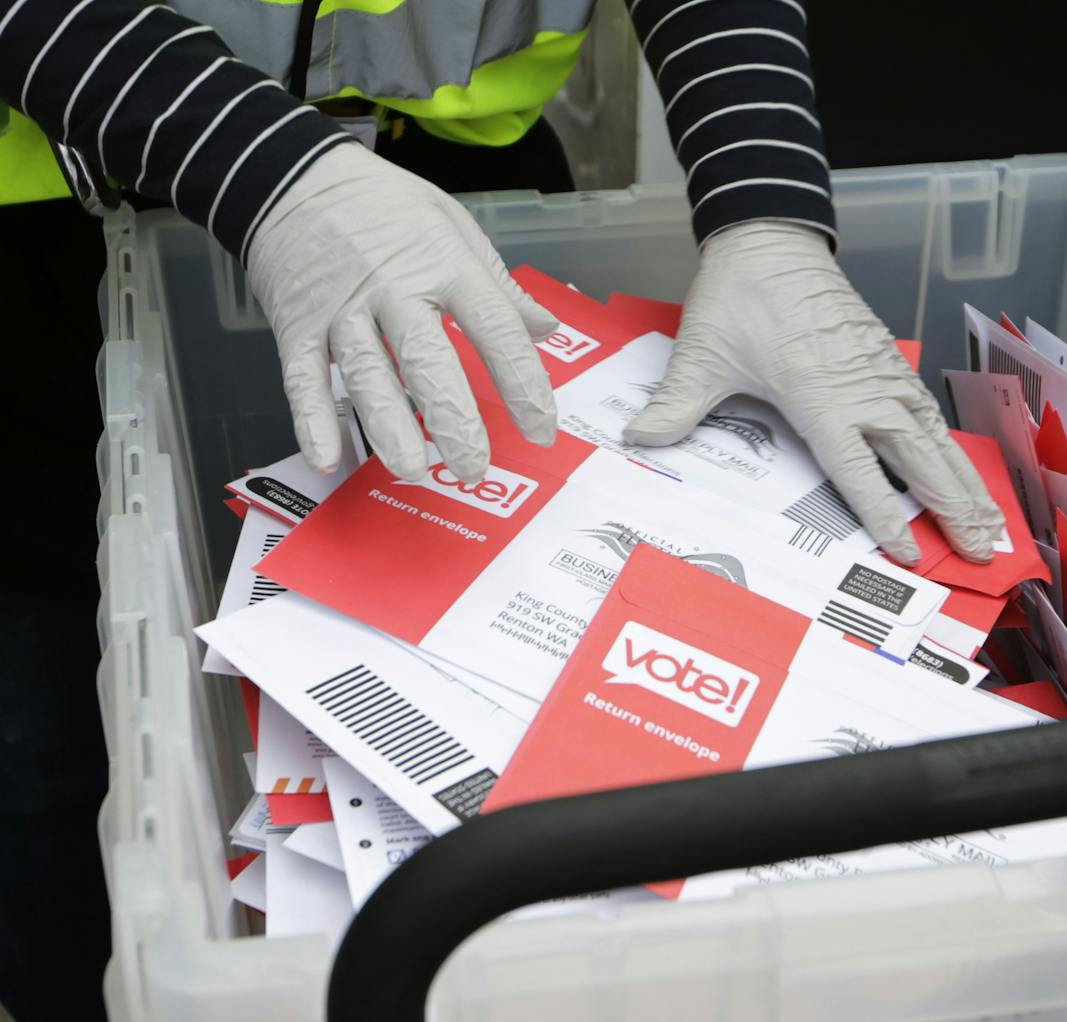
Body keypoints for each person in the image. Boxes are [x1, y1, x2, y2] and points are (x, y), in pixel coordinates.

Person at [0, 1, 1003, 1017]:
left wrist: (765, 204)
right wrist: (250, 155)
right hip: (60, 224)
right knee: (55, 755)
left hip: (455, 214)